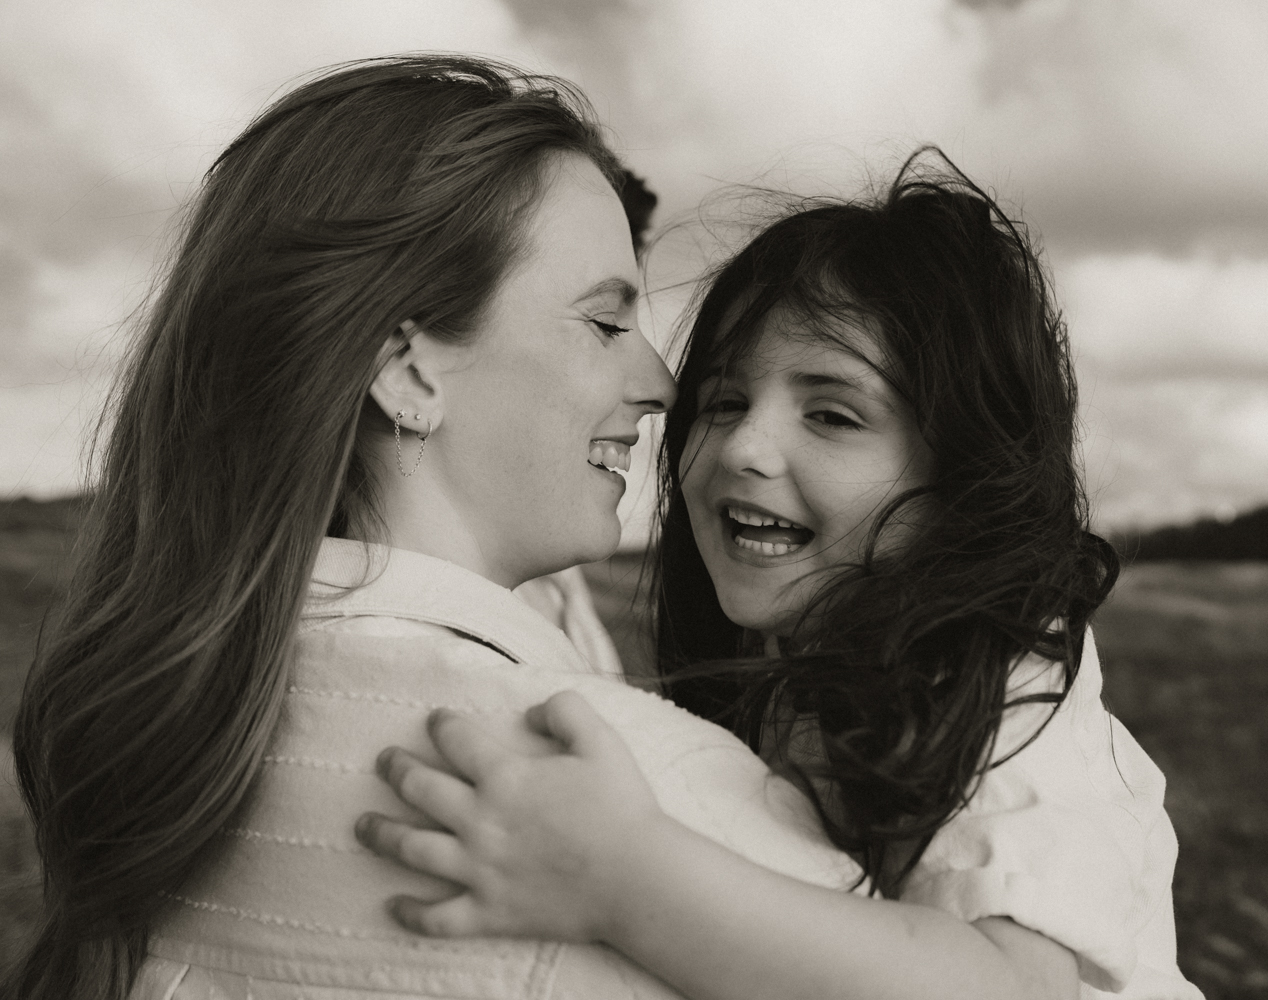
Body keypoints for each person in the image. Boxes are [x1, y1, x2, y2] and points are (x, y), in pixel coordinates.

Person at [4, 55, 891, 1000]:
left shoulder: (168, 747)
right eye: (604, 322)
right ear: (410, 371)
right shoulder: (646, 802)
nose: (663, 385)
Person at [356, 154, 1205, 1000]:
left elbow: (1009, 988)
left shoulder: (1009, 683)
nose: (743, 447)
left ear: (965, 478)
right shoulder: (781, 674)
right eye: (724, 402)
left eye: (832, 415)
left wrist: (625, 876)